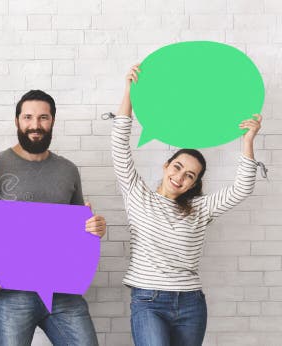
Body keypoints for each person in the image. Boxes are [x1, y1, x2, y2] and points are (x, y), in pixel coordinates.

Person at [111, 65, 263, 346]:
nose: (179, 177)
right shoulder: (137, 194)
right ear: (166, 165)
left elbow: (243, 187)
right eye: (177, 167)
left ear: (194, 184)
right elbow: (120, 146)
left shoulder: (201, 209)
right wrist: (130, 93)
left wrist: (248, 141)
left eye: (189, 175)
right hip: (148, 301)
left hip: (191, 304)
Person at [0, 90, 107, 345]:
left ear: (52, 121)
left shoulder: (68, 170)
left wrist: (95, 228)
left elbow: (80, 228)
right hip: (9, 291)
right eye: (28, 117)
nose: (35, 125)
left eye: (43, 117)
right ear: (17, 121)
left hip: (63, 291)